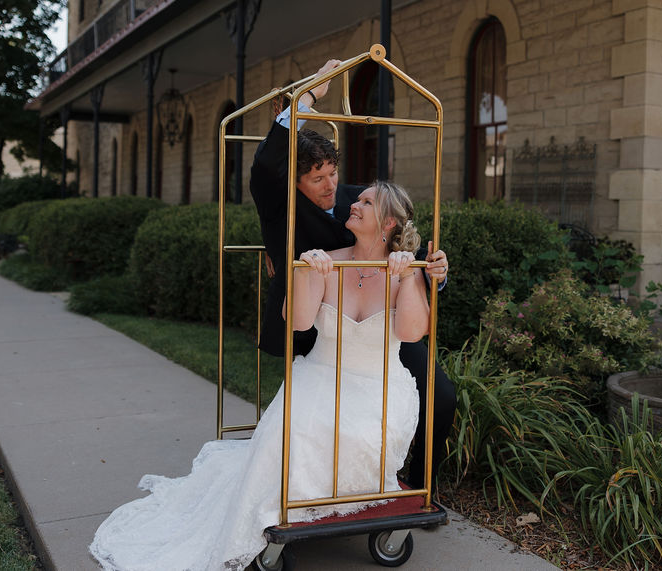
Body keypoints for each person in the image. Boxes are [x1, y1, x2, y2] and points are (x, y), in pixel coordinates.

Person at [89, 181, 427, 571]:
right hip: (320, 376)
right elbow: (298, 322)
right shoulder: (326, 260)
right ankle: (276, 509)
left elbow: (411, 333)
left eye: (366, 202)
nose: (354, 203)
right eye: (358, 198)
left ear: (387, 222)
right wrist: (307, 272)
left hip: (379, 388)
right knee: (297, 430)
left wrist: (410, 276)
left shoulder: (405, 271)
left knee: (357, 435)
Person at [248, 59, 455, 490]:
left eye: (332, 173)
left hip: (377, 326)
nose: (329, 185)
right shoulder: (277, 200)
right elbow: (268, 162)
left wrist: (434, 269)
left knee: (440, 394)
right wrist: (309, 95)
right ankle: (315, 490)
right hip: (312, 324)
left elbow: (403, 242)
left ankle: (421, 488)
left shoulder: (357, 201)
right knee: (316, 417)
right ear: (295, 180)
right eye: (316, 178)